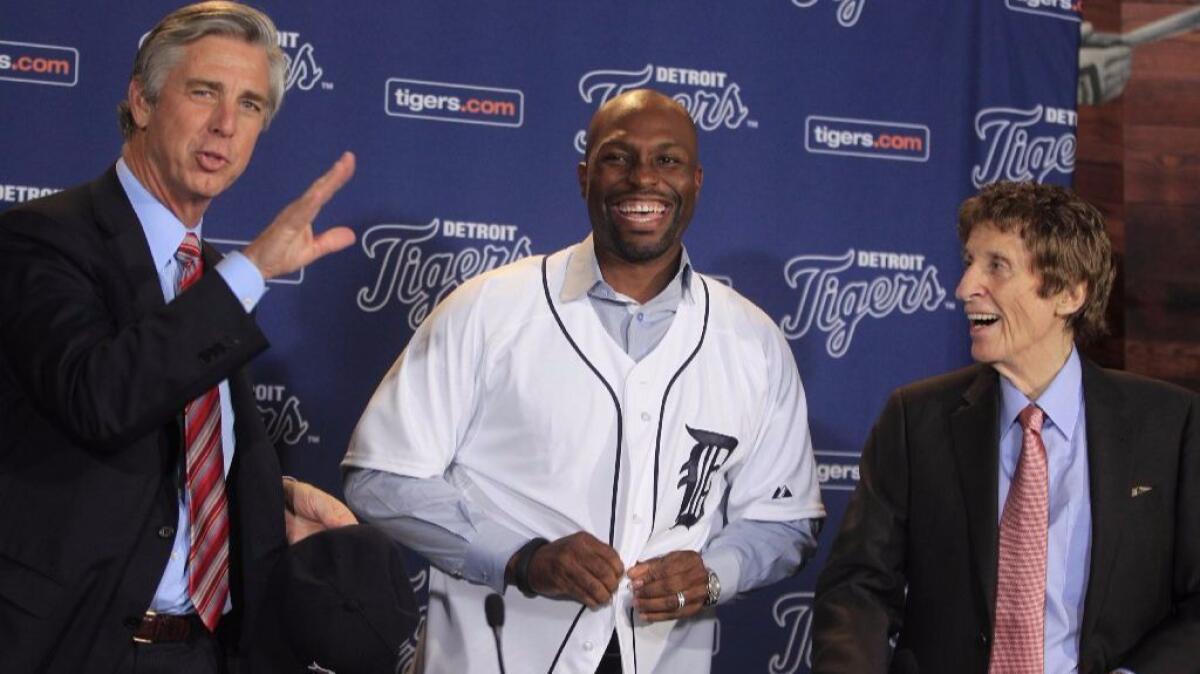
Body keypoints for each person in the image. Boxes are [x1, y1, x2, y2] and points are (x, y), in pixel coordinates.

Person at [343, 88, 826, 673]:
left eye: (667, 160)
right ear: (584, 176)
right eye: (618, 158)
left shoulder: (754, 341)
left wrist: (713, 571)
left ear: (697, 180)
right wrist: (522, 558)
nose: (642, 179)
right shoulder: (490, 308)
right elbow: (381, 476)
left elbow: (785, 521)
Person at [0, 3, 359, 672]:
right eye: (204, 92)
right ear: (141, 100)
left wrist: (268, 498)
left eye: (251, 105)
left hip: (203, 652)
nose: (226, 123)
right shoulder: (41, 238)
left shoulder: (214, 278)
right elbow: (100, 398)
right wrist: (252, 272)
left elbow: (174, 452)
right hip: (76, 648)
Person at [811, 181, 1200, 674]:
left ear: (1068, 292)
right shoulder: (915, 418)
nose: (965, 287)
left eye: (996, 265)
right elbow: (858, 587)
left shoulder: (1172, 425)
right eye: (970, 262)